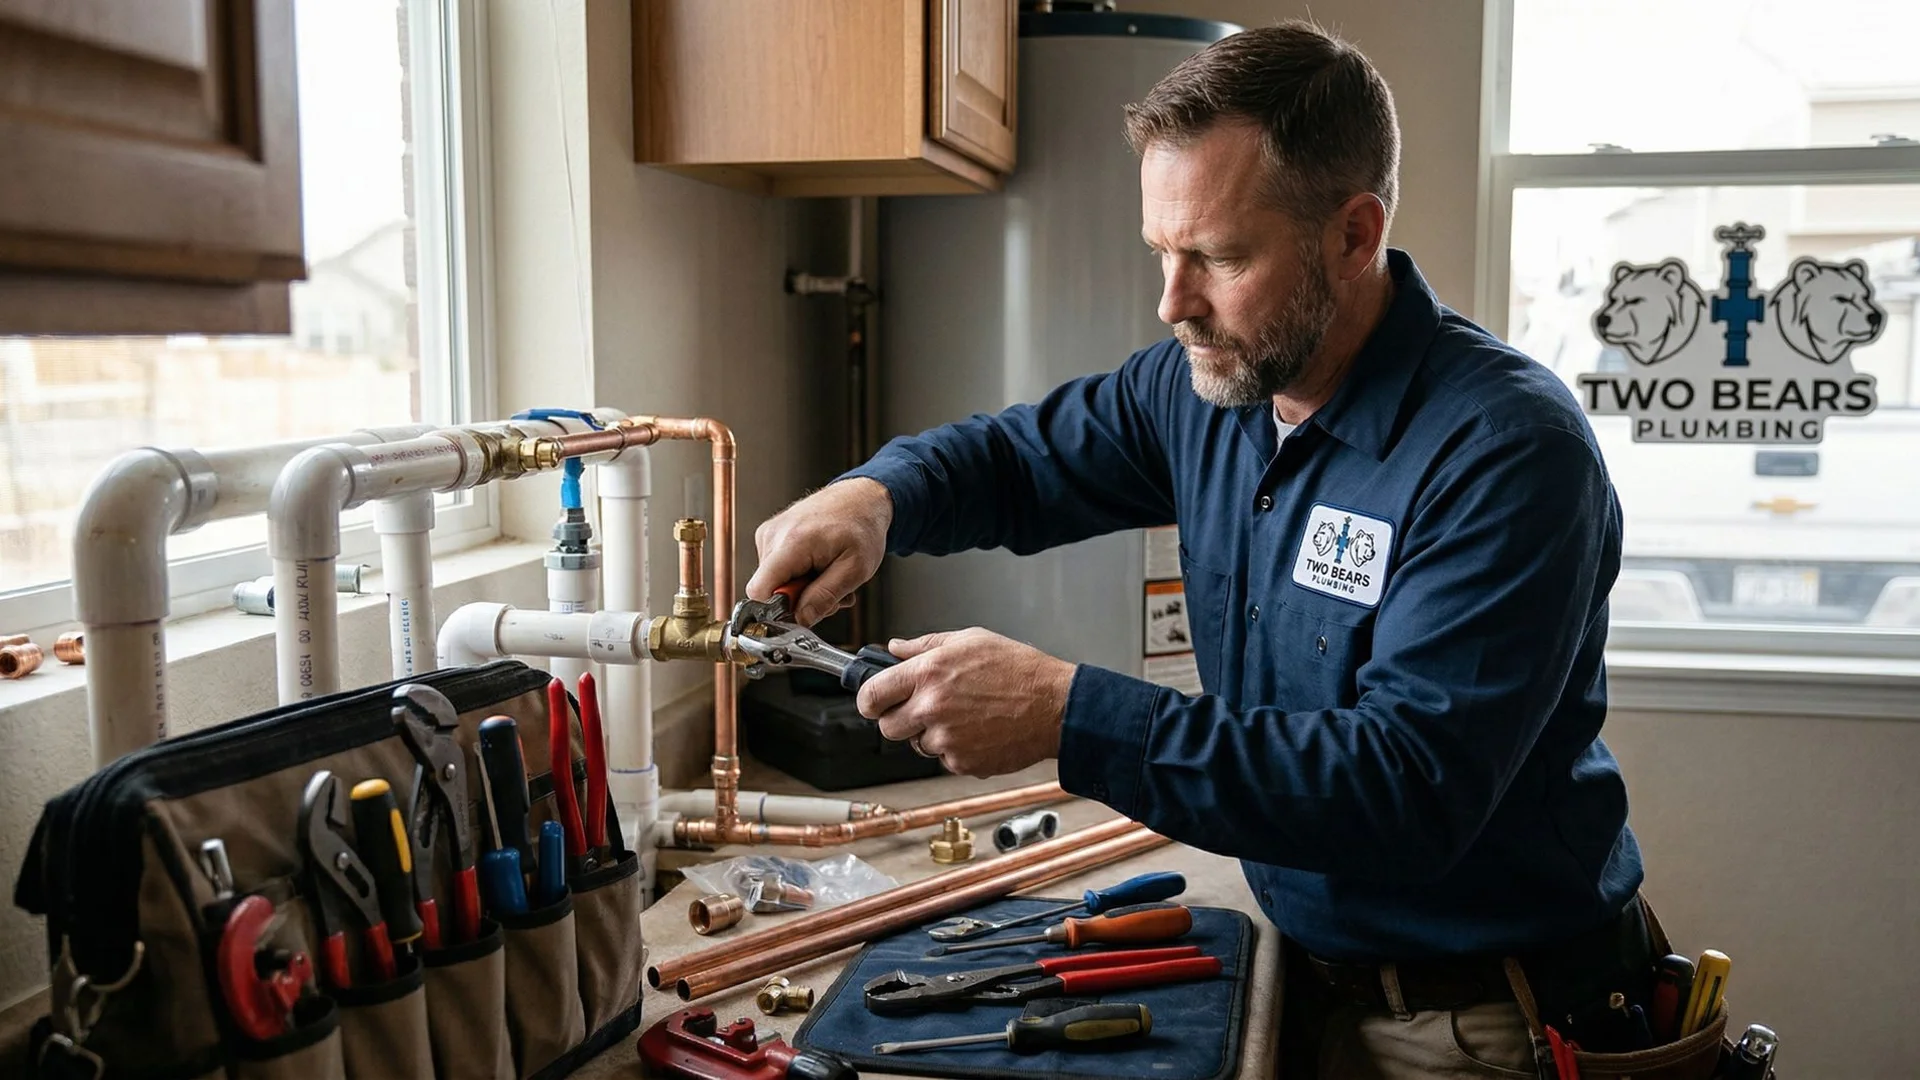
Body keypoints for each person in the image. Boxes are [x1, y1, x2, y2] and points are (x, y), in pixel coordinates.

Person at [747, 21, 1649, 1079]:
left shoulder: (1505, 451)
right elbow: (1019, 461)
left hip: (1483, 1022)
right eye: (1161, 253)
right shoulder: (1213, 387)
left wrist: (1064, 713)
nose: (1172, 304)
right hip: (1304, 970)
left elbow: (1402, 793)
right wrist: (875, 498)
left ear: (1354, 235)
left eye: (1219, 257)